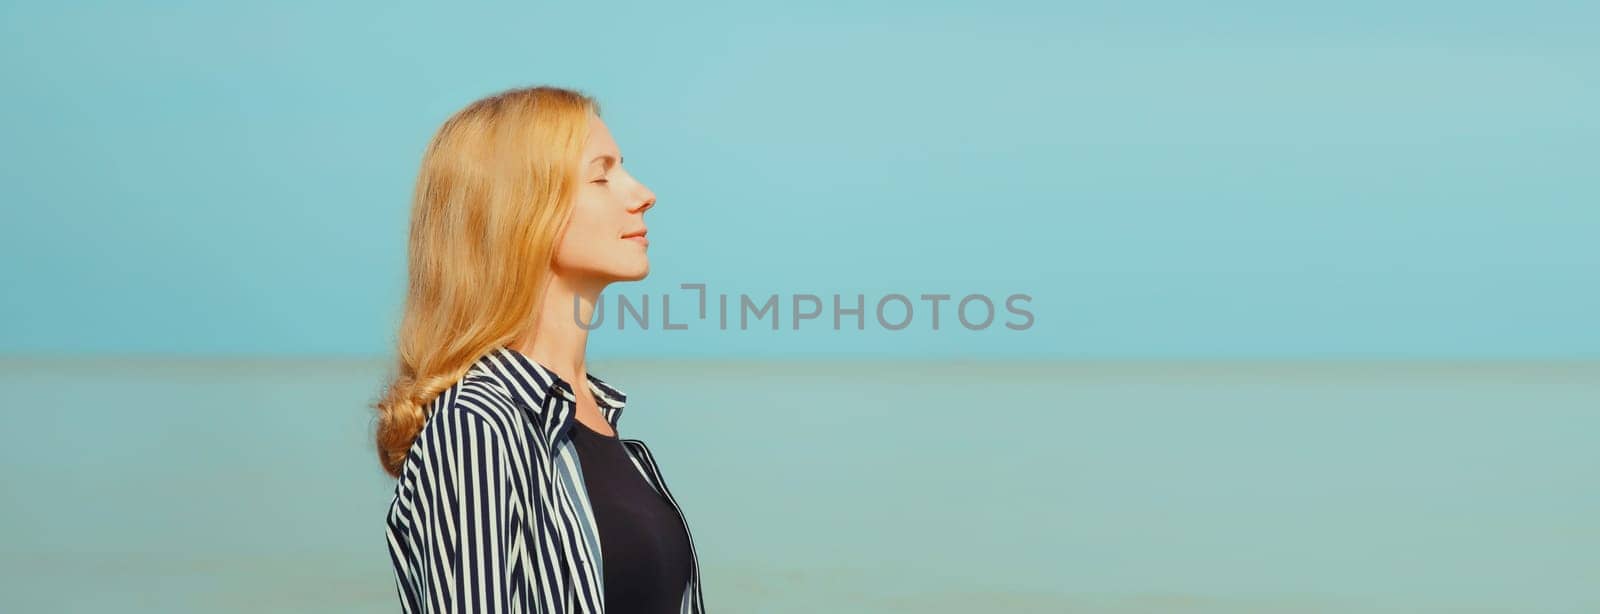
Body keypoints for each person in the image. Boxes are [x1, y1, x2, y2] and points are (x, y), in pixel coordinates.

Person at [371, 85, 705, 613]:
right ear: (521, 213)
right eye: (602, 175)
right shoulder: (479, 426)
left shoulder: (597, 420)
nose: (642, 193)